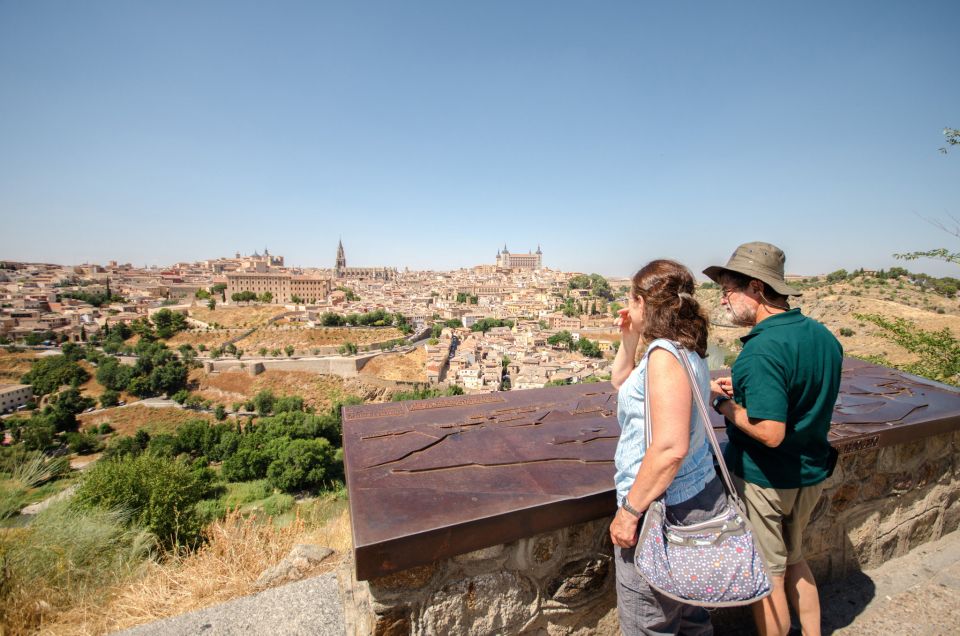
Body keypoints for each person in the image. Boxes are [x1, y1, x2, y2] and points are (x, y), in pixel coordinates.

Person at [703, 242, 842, 636]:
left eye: (728, 291)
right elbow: (800, 392)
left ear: (757, 289)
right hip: (810, 472)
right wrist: (746, 391)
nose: (724, 301)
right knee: (797, 559)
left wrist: (724, 406)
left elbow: (769, 431)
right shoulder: (821, 336)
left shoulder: (761, 349)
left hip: (767, 480)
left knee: (768, 576)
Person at [609, 259, 725, 636]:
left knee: (649, 623)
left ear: (646, 303)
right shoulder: (682, 349)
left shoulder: (665, 357)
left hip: (663, 508)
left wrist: (629, 512)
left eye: (632, 298)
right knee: (691, 615)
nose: (627, 304)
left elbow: (670, 448)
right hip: (693, 495)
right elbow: (622, 382)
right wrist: (629, 338)